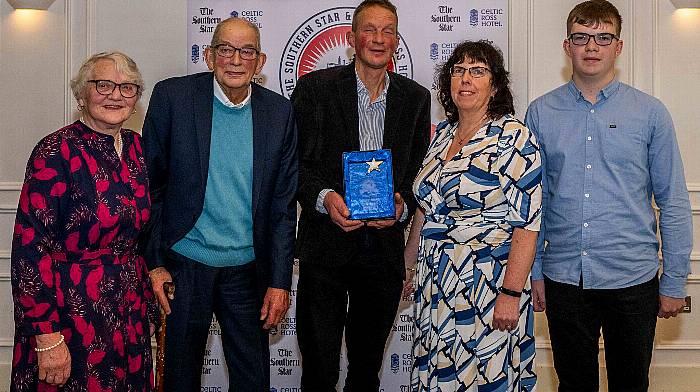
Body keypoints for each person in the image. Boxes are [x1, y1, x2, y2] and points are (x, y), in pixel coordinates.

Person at [525, 1, 693, 391]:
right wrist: (534, 272)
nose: (592, 47)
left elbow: (673, 200)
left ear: (618, 46)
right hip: (564, 276)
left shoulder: (650, 113)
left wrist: (673, 280)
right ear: (568, 46)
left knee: (631, 383)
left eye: (603, 38)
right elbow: (535, 202)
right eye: (581, 37)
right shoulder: (540, 112)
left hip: (632, 278)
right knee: (574, 385)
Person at [141, 18, 297, 392]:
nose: (235, 59)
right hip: (185, 264)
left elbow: (282, 205)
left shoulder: (279, 113)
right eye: (225, 49)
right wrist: (155, 262)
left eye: (246, 51)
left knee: (253, 380)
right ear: (209, 56)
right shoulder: (173, 98)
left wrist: (279, 281)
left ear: (260, 62)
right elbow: (150, 188)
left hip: (248, 270)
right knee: (180, 377)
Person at [291, 0, 431, 390]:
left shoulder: (416, 98)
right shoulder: (315, 89)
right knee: (319, 370)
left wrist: (402, 205)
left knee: (367, 370)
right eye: (370, 30)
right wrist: (325, 198)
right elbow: (294, 166)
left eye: (388, 31)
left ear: (396, 41)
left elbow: (418, 174)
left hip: (382, 253)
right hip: (325, 250)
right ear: (352, 38)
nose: (379, 39)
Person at [11, 52, 157, 391]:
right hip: (70, 314)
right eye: (103, 85)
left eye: (127, 87)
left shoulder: (137, 148)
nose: (115, 95)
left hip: (128, 311)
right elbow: (30, 249)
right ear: (81, 94)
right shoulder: (55, 150)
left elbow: (141, 235)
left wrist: (145, 303)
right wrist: (46, 337)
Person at [404, 40, 542, 391]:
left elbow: (527, 225)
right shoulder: (442, 136)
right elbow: (426, 209)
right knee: (439, 374)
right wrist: (407, 266)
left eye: (478, 71)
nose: (466, 79)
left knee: (483, 375)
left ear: (495, 85)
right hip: (436, 284)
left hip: (487, 285)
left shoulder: (514, 138)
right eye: (459, 70)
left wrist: (511, 293)